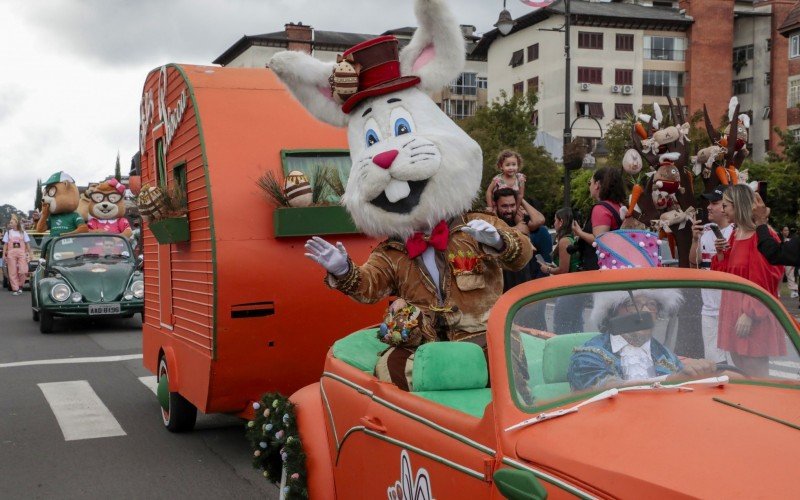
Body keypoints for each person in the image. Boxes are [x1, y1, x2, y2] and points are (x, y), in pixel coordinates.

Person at [568, 289, 718, 391]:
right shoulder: (588, 355)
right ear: (613, 312)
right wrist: (672, 380)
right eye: (634, 304)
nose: (645, 311)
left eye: (651, 305)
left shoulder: (665, 356)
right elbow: (608, 390)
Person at [712, 185, 785, 377]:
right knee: (742, 372)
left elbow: (767, 279)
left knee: (757, 375)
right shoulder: (737, 234)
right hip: (737, 311)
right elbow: (728, 275)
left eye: (726, 205)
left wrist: (750, 313)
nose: (722, 210)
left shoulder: (762, 236)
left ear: (738, 206)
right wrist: (721, 254)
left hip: (752, 315)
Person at [688, 185, 734, 363]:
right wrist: (694, 240)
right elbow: (694, 265)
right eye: (708, 203)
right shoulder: (705, 230)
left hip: (729, 309)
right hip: (708, 308)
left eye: (714, 203)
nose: (709, 207)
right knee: (713, 362)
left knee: (733, 364)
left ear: (727, 206)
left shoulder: (735, 231)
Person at [572, 167, 626, 271]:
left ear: (597, 184)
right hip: (615, 264)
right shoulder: (619, 206)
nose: (590, 186)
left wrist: (579, 232)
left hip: (598, 267)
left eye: (590, 182)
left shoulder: (600, 208)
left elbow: (599, 240)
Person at [540, 208, 584, 334]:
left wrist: (547, 269)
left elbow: (564, 270)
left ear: (561, 221)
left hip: (568, 289)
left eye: (555, 220)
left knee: (562, 324)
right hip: (576, 288)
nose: (553, 223)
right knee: (576, 323)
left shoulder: (565, 241)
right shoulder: (570, 239)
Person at [493, 188, 543, 291]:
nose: (509, 210)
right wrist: (514, 230)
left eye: (512, 205)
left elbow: (539, 220)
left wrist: (521, 199)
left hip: (524, 284)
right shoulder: (491, 222)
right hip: (502, 287)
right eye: (504, 206)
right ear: (495, 205)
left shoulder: (521, 220)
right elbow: (491, 235)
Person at [2, 216, 32, 295]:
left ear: (16, 223)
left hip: (22, 253)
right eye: (10, 222)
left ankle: (20, 286)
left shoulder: (23, 232)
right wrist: (3, 255)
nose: (10, 224)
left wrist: (30, 253)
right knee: (12, 272)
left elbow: (27, 244)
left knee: (23, 270)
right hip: (11, 254)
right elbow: (5, 244)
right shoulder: (8, 232)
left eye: (12, 222)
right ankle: (16, 289)